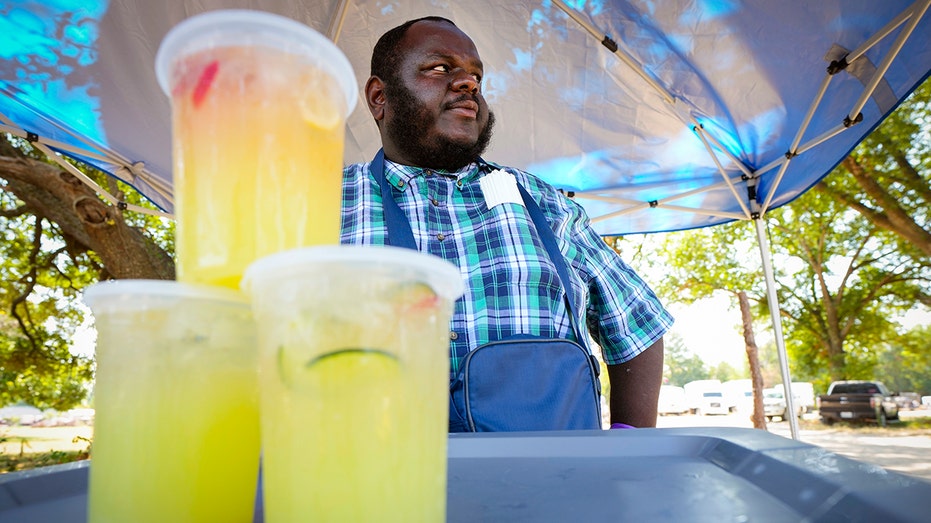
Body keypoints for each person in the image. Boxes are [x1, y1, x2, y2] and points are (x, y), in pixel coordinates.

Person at [341, 16, 674, 430]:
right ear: (379, 97)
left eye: (476, 75)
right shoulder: (326, 202)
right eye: (440, 68)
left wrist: (632, 446)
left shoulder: (543, 202)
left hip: (552, 486)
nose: (468, 84)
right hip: (377, 485)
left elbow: (638, 322)